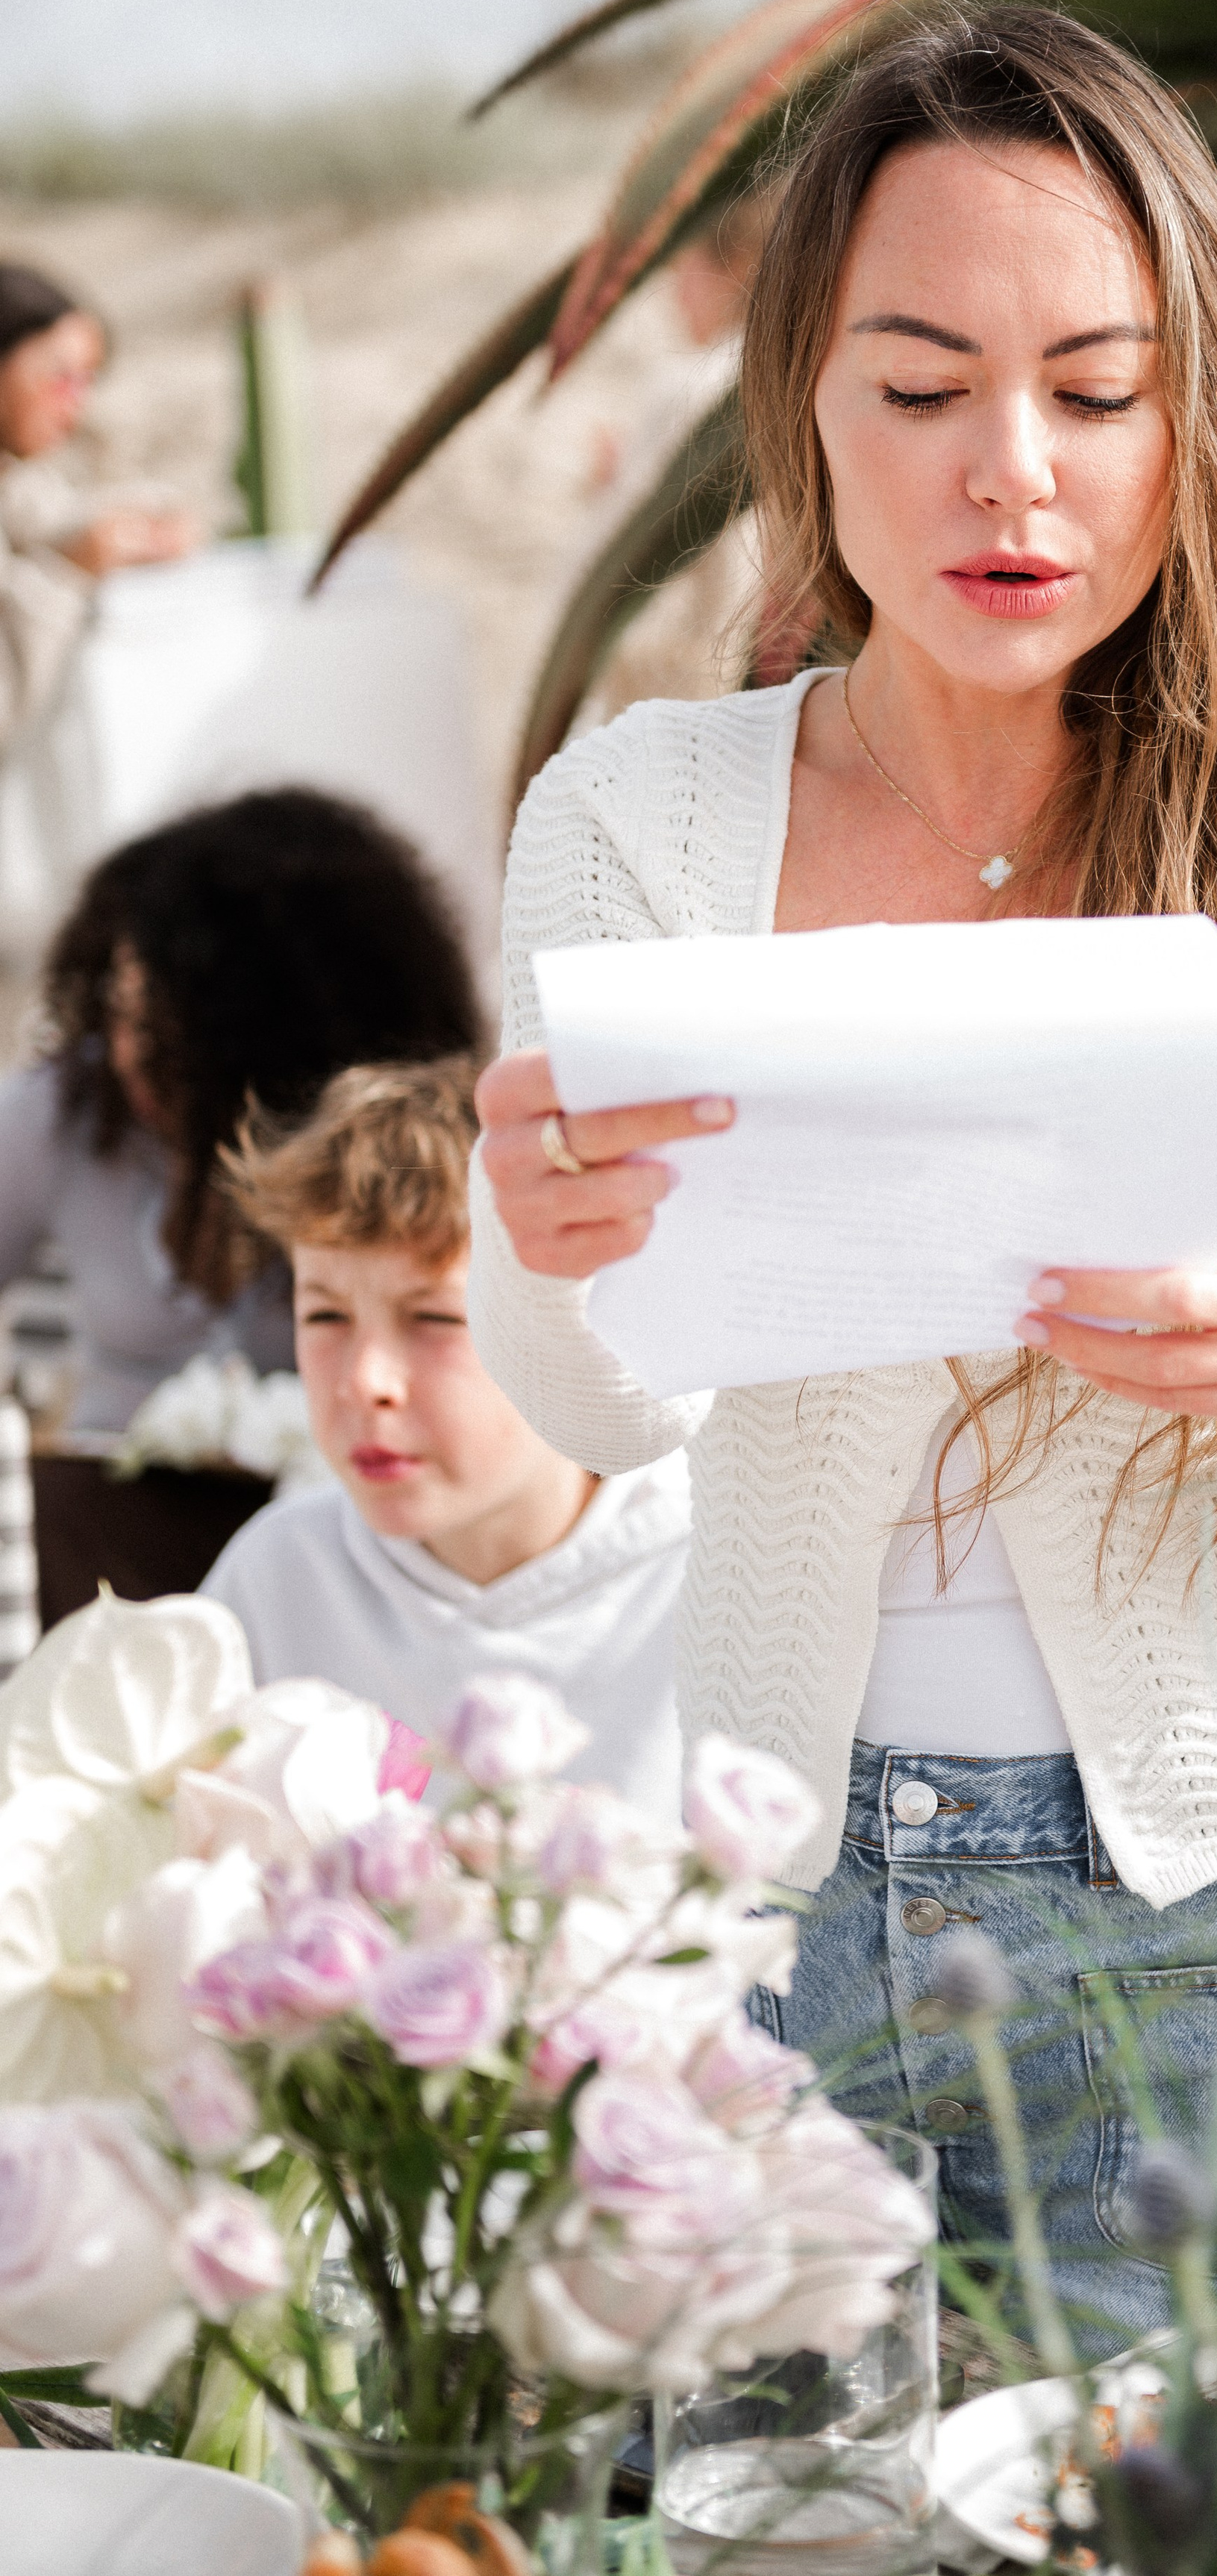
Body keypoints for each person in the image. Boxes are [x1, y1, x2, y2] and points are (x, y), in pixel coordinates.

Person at [467, 5, 1217, 2340]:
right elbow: (601, 1413)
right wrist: (543, 1248)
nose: (1011, 475)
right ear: (804, 408)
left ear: (1197, 414)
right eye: (920, 383)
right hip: (775, 1894)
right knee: (781, 2517)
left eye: (1092, 390)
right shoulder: (634, 821)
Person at [0, 786, 481, 1613]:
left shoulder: (387, 1142)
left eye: (168, 1037)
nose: (127, 1056)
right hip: (105, 1532)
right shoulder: (68, 1107)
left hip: (345, 1530)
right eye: (118, 1014)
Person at [201, 1059, 686, 1816]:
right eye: (325, 1316)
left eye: (434, 1319)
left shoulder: (696, 1576)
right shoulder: (276, 1577)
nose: (366, 1379)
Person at [0, 262, 196, 758]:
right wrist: (66, 575)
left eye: (87, 383)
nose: (75, 407)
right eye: (61, 379)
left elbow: (39, 513)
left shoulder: (15, 478)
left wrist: (144, 523)